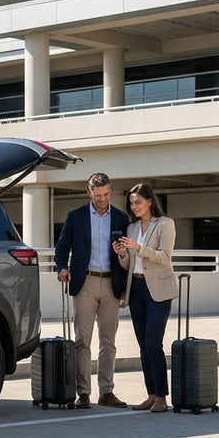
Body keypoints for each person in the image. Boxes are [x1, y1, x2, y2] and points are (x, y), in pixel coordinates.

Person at [54, 172, 130, 409]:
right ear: (89, 193)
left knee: (109, 341)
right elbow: (62, 246)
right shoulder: (75, 216)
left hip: (111, 284)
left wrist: (126, 288)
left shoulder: (120, 217)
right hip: (84, 282)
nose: (103, 199)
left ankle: (106, 391)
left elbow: (128, 256)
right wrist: (62, 267)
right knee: (82, 341)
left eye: (106, 194)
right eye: (98, 195)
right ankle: (83, 393)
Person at [113, 183, 180, 413]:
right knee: (143, 345)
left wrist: (139, 248)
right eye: (132, 203)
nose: (135, 206)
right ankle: (151, 394)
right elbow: (129, 264)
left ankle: (162, 396)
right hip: (137, 288)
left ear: (150, 201)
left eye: (138, 202)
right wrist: (123, 253)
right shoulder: (131, 228)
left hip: (158, 290)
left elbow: (164, 257)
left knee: (153, 343)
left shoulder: (165, 224)